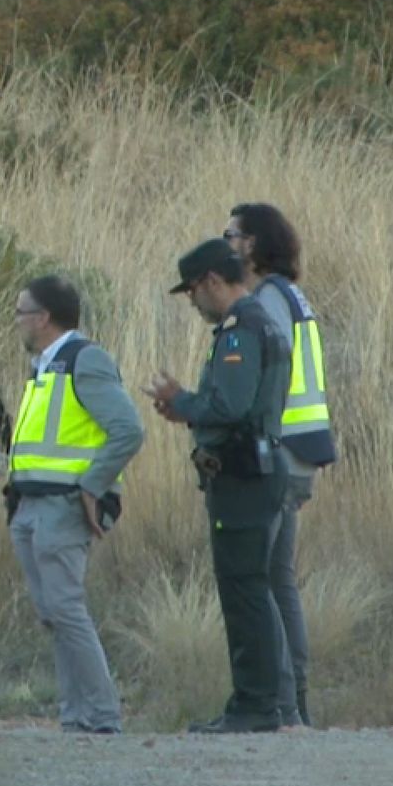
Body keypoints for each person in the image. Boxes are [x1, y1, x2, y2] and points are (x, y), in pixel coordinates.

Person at [145, 239, 291, 734]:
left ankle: (255, 705)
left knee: (243, 589)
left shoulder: (240, 331)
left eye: (192, 291)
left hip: (242, 476)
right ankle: (259, 702)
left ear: (211, 281)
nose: (192, 302)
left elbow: (231, 406)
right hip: (253, 472)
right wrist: (188, 409)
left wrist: (182, 401)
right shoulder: (257, 325)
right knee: (249, 587)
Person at [5, 274, 144, 735]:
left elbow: (128, 430)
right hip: (30, 504)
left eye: (22, 312)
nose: (17, 321)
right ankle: (76, 717)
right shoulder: (45, 366)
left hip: (62, 505)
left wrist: (92, 487)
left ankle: (101, 716)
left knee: (65, 609)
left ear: (43, 318)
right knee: (53, 614)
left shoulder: (85, 361)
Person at [225, 203, 337, 728]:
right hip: (301, 449)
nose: (226, 243)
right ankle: (297, 704)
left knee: (261, 580)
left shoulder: (268, 300)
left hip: (278, 452)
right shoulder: (293, 296)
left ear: (252, 244)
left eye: (231, 235)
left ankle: (284, 705)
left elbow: (265, 375)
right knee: (279, 579)